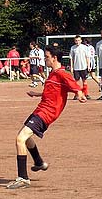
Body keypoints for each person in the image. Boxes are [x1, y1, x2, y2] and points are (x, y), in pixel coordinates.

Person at [6, 45, 87, 189]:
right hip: (40, 110)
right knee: (25, 137)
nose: (45, 59)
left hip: (46, 113)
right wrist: (36, 94)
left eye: (47, 57)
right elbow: (52, 93)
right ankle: (39, 162)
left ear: (54, 58)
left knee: (20, 139)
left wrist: (80, 94)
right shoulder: (52, 74)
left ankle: (23, 178)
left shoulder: (62, 73)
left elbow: (75, 86)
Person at [69, 35, 91, 99]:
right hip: (76, 67)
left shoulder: (84, 47)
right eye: (76, 40)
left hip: (83, 67)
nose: (77, 42)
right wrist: (72, 67)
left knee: (84, 81)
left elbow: (87, 57)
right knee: (76, 82)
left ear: (81, 41)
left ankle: (86, 93)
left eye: (78, 40)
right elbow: (71, 58)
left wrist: (88, 66)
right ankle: (77, 94)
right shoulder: (73, 48)